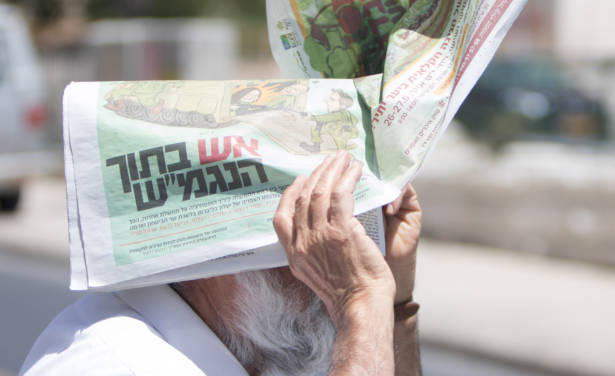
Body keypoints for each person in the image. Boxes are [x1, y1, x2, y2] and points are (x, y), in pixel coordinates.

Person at [21, 152, 423, 376]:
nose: (333, 271)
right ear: (223, 251)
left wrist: (393, 301)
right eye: (310, 243)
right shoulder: (113, 364)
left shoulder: (254, 356)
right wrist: (360, 303)